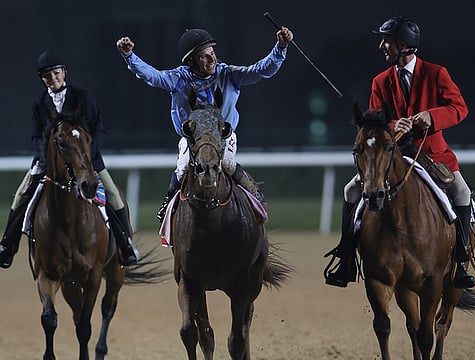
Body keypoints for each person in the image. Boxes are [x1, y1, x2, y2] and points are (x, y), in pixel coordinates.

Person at [325, 16, 475, 289]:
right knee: (350, 191)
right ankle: (346, 257)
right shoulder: (380, 81)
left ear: (405, 45)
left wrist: (432, 115)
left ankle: (460, 262)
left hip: (432, 154)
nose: (382, 46)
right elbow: (373, 117)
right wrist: (395, 124)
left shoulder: (436, 73)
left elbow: (460, 108)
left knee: (463, 193)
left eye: (387, 41)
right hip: (390, 155)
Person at [116, 26, 294, 224]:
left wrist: (281, 47)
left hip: (223, 136)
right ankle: (168, 204)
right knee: (183, 168)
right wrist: (129, 56)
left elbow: (261, 70)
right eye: (204, 56)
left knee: (227, 162)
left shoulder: (228, 74)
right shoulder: (179, 78)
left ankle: (255, 194)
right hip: (193, 139)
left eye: (212, 53)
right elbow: (153, 76)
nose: (212, 59)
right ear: (191, 60)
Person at [0, 51, 139, 267]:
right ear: (42, 79)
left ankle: (126, 244)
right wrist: (43, 158)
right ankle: (8, 247)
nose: (53, 78)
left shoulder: (82, 97)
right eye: (47, 76)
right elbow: (36, 136)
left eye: (56, 73)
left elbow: (98, 129)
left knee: (112, 193)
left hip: (85, 159)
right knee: (20, 195)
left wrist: (88, 157)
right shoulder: (39, 103)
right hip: (49, 162)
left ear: (64, 72)